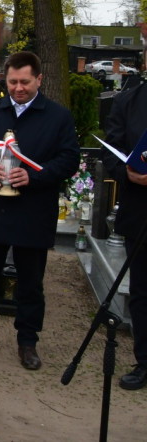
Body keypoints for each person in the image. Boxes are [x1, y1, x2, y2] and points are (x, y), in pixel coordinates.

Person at [0, 51, 79, 370]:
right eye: (13, 82)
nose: (19, 88)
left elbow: (69, 160)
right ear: (5, 80)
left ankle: (27, 342)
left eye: (25, 81)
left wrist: (34, 176)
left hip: (32, 211)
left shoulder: (58, 116)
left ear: (39, 79)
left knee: (30, 282)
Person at [102, 76, 147, 390]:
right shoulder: (128, 102)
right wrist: (128, 172)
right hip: (141, 213)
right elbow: (111, 154)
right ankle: (145, 361)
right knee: (143, 293)